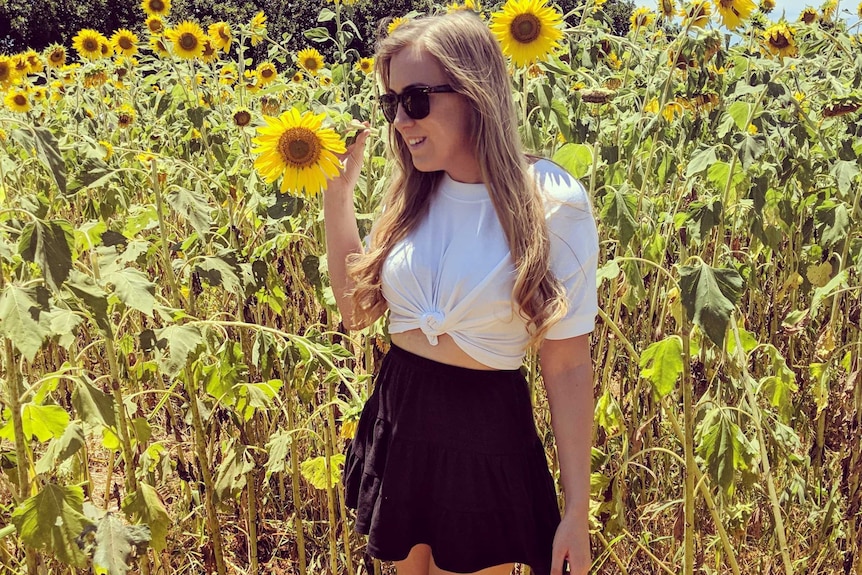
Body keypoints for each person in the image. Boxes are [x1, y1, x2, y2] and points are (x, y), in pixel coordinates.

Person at [323, 9, 598, 575]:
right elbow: (355, 312)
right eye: (391, 102)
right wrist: (336, 198)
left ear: (475, 94)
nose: (401, 120)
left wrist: (577, 509)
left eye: (417, 99)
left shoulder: (551, 199)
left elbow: (568, 365)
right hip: (400, 417)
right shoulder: (411, 197)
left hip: (481, 434)